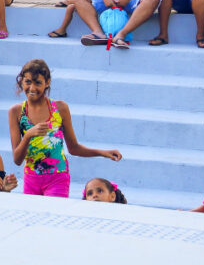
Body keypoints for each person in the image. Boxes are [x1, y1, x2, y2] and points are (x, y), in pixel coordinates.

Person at [8, 59, 121, 197]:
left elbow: (73, 148)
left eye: (38, 83)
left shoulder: (60, 108)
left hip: (57, 178)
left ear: (47, 82)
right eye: (27, 82)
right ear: (21, 81)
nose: (32, 88)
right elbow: (17, 159)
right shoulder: (16, 112)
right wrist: (28, 135)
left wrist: (102, 152)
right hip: (31, 179)